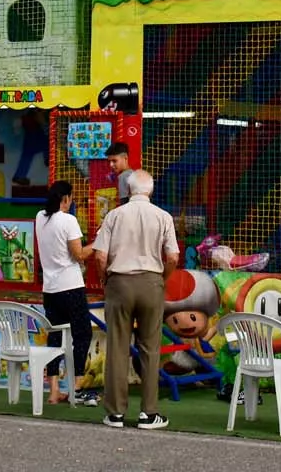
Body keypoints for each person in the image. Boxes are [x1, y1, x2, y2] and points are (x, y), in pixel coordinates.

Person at [92, 170, 179, 430]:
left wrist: (105, 279)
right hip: (152, 282)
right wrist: (162, 278)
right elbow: (173, 257)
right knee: (150, 349)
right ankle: (149, 414)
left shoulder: (114, 216)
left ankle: (116, 413)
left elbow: (99, 256)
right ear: (150, 191)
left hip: (119, 282)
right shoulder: (163, 216)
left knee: (118, 347)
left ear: (128, 190)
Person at [35, 181, 97, 406]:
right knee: (82, 334)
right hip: (70, 287)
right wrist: (99, 242)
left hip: (50, 289)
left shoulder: (40, 217)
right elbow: (79, 254)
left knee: (54, 338)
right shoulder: (68, 220)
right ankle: (76, 387)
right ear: (67, 199)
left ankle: (53, 392)